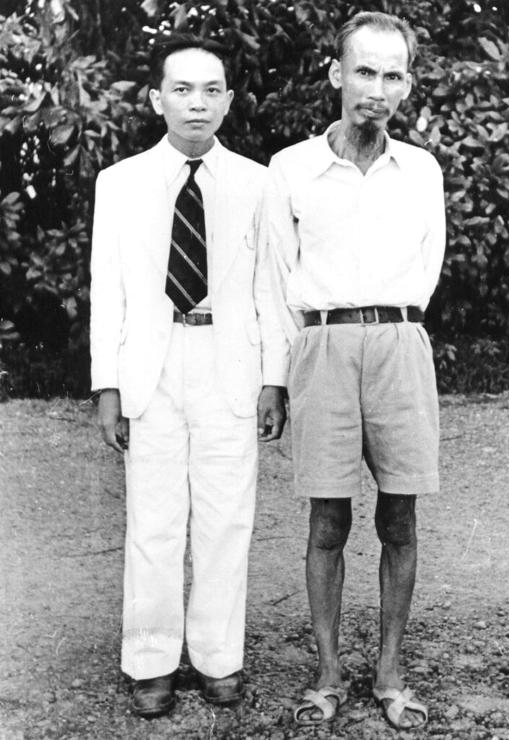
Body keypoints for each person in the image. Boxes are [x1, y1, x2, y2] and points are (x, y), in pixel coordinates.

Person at [257, 11, 446, 731]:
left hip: (400, 344)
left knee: (400, 514)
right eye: (364, 71)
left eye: (392, 74)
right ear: (337, 75)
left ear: (406, 84)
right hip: (324, 349)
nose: (377, 88)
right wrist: (277, 377)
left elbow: (427, 267)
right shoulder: (291, 169)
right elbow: (277, 282)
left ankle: (390, 671)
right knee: (327, 518)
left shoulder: (421, 170)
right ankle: (329, 673)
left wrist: (394, 325)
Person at [90, 34, 285, 719]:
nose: (196, 104)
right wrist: (107, 383)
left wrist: (275, 378)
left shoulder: (259, 183)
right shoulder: (119, 183)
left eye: (210, 91)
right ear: (156, 99)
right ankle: (150, 659)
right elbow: (106, 290)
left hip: (229, 363)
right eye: (181, 89)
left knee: (227, 517)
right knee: (154, 518)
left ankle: (216, 656)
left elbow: (270, 289)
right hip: (153, 364)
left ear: (229, 100)